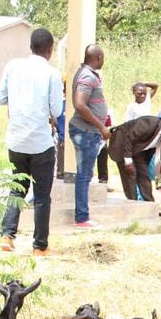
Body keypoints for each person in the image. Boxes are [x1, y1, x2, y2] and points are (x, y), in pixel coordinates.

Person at [0, 28, 63, 257]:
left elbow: (1, 98)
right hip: (40, 143)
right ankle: (40, 246)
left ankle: (6, 236)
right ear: (49, 50)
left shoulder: (12, 66)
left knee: (17, 189)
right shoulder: (52, 74)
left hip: (15, 141)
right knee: (42, 195)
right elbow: (57, 110)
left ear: (30, 47)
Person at [68, 44, 111, 229]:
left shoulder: (86, 73)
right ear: (99, 57)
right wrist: (101, 126)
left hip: (87, 131)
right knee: (84, 175)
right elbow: (80, 104)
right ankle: (82, 217)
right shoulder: (87, 76)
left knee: (85, 174)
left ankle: (82, 215)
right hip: (86, 131)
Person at [108, 113, 161, 202]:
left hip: (138, 149)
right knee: (130, 174)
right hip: (122, 143)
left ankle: (149, 204)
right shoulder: (148, 123)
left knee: (144, 174)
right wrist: (128, 161)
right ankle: (132, 203)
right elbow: (129, 137)